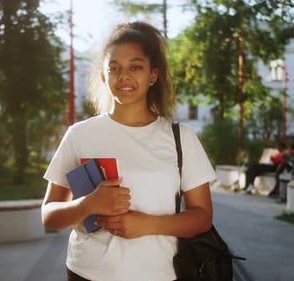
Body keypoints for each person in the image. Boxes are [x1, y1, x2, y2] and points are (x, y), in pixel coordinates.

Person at [41, 21, 216, 281]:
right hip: (85, 274)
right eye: (114, 68)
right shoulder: (79, 135)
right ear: (103, 75)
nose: (124, 76)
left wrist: (148, 224)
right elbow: (49, 216)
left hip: (159, 275)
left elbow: (202, 217)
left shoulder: (182, 138)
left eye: (135, 67)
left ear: (153, 75)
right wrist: (88, 204)